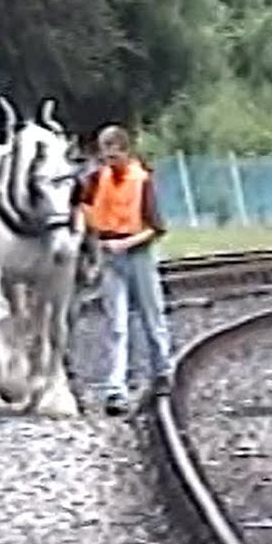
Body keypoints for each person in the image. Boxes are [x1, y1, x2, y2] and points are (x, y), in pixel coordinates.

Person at [79, 124, 172, 416]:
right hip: (110, 255)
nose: (109, 162)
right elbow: (83, 207)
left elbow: (157, 227)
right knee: (116, 324)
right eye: (105, 156)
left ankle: (162, 370)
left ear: (125, 151)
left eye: (113, 156)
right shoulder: (96, 179)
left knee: (151, 315)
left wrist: (128, 242)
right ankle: (115, 390)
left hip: (139, 254)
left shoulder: (141, 179)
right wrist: (93, 238)